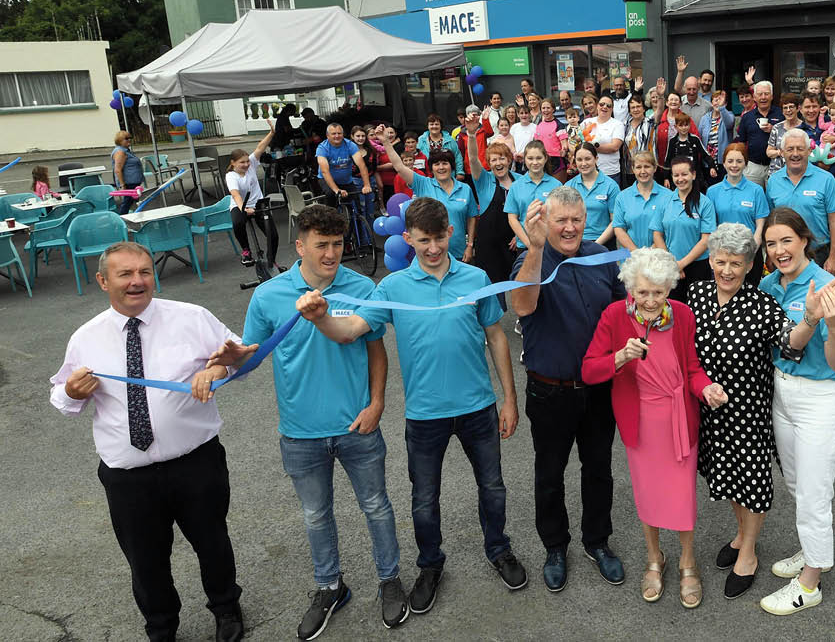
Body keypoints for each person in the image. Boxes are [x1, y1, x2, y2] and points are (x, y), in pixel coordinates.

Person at [296, 197, 528, 616]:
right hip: (424, 415)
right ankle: (430, 565)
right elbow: (350, 331)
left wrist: (509, 399)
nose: (433, 248)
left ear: (450, 234)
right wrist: (320, 318)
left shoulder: (476, 277)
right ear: (407, 239)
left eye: (439, 238)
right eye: (423, 240)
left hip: (479, 407)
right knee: (424, 499)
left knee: (492, 486)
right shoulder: (392, 287)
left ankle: (499, 549)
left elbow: (496, 336)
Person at [50, 242, 248, 642]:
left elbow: (241, 355)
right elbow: (62, 399)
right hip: (128, 476)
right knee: (145, 559)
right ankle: (161, 625)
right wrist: (72, 391)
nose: (138, 281)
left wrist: (225, 363)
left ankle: (226, 607)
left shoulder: (192, 318)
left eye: (144, 271)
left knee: (212, 542)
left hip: (196, 462)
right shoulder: (86, 338)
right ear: (103, 281)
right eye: (125, 274)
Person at [239, 205, 408, 638]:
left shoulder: (361, 287)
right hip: (300, 432)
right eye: (321, 246)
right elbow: (251, 355)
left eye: (337, 244)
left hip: (356, 425)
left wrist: (376, 404)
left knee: (377, 507)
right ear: (300, 246)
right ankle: (329, 587)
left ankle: (389, 580)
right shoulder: (269, 295)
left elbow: (373, 347)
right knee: (316, 515)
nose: (331, 253)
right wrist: (221, 364)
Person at [581, 248, 728, 608]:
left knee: (682, 496)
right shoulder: (615, 315)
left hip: (680, 419)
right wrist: (620, 357)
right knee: (648, 495)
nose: (650, 300)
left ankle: (687, 561)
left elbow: (692, 369)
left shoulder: (682, 315)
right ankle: (654, 558)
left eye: (658, 292)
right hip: (641, 422)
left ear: (670, 289)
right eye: (642, 292)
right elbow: (588, 370)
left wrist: (706, 388)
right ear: (630, 288)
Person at [510, 186, 627, 592]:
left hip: (598, 390)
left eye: (577, 220)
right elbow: (522, 306)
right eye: (561, 220)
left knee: (599, 469)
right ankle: (555, 546)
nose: (570, 227)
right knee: (550, 473)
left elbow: (622, 310)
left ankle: (597, 541)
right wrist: (536, 248)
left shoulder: (602, 256)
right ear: (546, 222)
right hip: (550, 391)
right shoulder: (531, 260)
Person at [756, 207, 835, 616]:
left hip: (820, 400)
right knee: (797, 486)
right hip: (783, 394)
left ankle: (810, 583)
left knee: (814, 495)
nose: (780, 250)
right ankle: (810, 549)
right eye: (771, 243)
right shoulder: (767, 283)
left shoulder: (827, 285)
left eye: (786, 241)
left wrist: (831, 325)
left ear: (803, 239)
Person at [687, 223, 791, 600]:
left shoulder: (762, 305)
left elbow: (790, 343)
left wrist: (813, 319)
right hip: (708, 409)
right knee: (727, 476)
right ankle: (740, 535)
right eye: (720, 261)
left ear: (750, 266)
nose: (727, 270)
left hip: (747, 411)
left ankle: (748, 551)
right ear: (710, 260)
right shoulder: (696, 293)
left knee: (752, 482)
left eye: (736, 263)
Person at [380, 137, 478, 262]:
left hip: (459, 252)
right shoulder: (422, 183)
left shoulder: (465, 189)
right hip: (430, 254)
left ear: (452, 166)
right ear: (431, 168)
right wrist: (386, 142)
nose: (441, 167)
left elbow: (471, 218)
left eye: (445, 163)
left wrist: (469, 245)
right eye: (436, 164)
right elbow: (399, 167)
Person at [765, 129, 835, 274]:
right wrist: (769, 255)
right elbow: (770, 220)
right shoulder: (773, 181)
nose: (795, 154)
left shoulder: (826, 179)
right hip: (783, 254)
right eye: (790, 149)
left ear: (809, 151)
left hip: (818, 253)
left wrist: (834, 256)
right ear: (782, 152)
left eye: (800, 149)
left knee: (819, 296)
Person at [463, 117, 522, 289]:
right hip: (488, 244)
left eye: (502, 159)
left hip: (513, 243)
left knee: (519, 286)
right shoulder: (483, 180)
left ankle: (521, 317)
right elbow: (473, 158)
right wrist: (472, 135)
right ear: (488, 164)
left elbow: (527, 211)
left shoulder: (521, 181)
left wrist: (520, 234)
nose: (498, 163)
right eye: (494, 160)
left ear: (509, 160)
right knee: (493, 290)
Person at [651, 156, 716, 304]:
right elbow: (657, 234)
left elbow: (706, 240)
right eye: (676, 175)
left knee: (698, 310)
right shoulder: (664, 201)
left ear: (693, 175)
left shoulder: (705, 203)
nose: (680, 179)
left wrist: (681, 264)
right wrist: (672, 263)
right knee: (672, 310)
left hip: (698, 266)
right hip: (669, 266)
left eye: (684, 174)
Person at [707, 142, 768, 284]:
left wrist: (750, 253)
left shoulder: (756, 190)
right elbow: (711, 226)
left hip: (750, 252)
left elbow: (760, 227)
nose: (734, 165)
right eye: (730, 161)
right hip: (723, 254)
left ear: (745, 164)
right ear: (724, 163)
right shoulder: (712, 191)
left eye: (739, 161)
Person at [226, 119, 281, 270]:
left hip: (258, 204)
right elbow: (236, 195)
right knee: (238, 223)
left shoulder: (251, 163)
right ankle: (246, 251)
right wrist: (243, 209)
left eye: (247, 162)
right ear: (233, 163)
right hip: (240, 205)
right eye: (241, 163)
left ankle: (271, 260)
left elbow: (260, 147)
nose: (246, 165)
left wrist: (271, 133)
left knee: (273, 235)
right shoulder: (231, 176)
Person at [504, 140, 562, 250]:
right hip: (524, 245)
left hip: (551, 245)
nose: (535, 162)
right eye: (530, 158)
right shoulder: (516, 186)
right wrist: (528, 244)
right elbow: (512, 218)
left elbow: (560, 216)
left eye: (539, 158)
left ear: (545, 158)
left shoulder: (556, 185)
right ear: (524, 159)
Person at [612, 151, 673, 251]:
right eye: (638, 167)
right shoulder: (622, 197)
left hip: (659, 258)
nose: (643, 171)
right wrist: (636, 252)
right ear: (633, 169)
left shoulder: (668, 196)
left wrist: (648, 253)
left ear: (655, 168)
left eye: (647, 166)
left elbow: (670, 229)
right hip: (631, 258)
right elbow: (619, 229)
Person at [566, 142, 621, 246]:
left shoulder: (611, 186)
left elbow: (615, 221)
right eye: (579, 160)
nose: (583, 164)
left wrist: (596, 245)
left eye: (587, 159)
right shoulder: (569, 186)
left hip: (603, 242)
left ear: (596, 159)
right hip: (575, 242)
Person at [315, 123, 373, 219]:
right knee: (330, 197)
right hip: (328, 180)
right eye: (333, 134)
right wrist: (336, 190)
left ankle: (359, 229)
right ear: (327, 136)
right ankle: (330, 223)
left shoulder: (350, 145)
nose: (337, 136)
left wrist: (367, 185)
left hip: (346, 180)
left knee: (357, 207)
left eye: (339, 133)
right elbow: (325, 171)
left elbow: (362, 165)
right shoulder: (322, 148)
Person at [734, 81, 782, 186]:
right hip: (753, 167)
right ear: (754, 97)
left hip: (777, 165)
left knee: (774, 199)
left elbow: (789, 137)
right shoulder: (747, 117)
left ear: (772, 96)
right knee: (752, 198)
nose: (763, 97)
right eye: (760, 94)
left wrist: (774, 130)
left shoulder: (781, 114)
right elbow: (741, 142)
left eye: (766, 94)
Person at [581, 95, 626, 185]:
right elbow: (576, 139)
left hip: (610, 172)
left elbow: (614, 147)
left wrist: (590, 147)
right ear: (597, 106)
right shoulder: (586, 122)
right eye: (602, 104)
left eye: (608, 106)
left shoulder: (617, 124)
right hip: (588, 171)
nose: (604, 107)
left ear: (612, 109)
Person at [664, 112, 712, 186]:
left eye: (686, 125)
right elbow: (668, 160)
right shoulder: (672, 141)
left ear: (689, 125)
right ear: (676, 126)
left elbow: (705, 154)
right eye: (680, 125)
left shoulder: (695, 139)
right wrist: (666, 178)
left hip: (694, 177)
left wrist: (712, 167)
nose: (684, 128)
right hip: (678, 178)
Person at [765, 93, 808, 174]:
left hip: (798, 173)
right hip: (776, 172)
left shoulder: (804, 127)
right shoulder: (777, 128)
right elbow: (769, 152)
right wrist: (780, 152)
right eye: (785, 108)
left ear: (798, 108)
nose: (788, 110)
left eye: (791, 107)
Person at [697, 91, 735, 182]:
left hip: (723, 162)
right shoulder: (704, 118)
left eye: (720, 100)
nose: (717, 102)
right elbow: (699, 139)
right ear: (711, 102)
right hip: (707, 162)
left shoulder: (729, 115)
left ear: (725, 104)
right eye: (715, 100)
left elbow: (729, 124)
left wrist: (722, 108)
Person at [417, 114, 465, 182]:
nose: (434, 126)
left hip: (448, 177)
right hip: (428, 178)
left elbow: (457, 156)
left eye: (436, 124)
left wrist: (460, 172)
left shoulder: (450, 140)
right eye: (431, 124)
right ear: (428, 126)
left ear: (441, 126)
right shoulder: (421, 140)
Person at [653, 89, 684, 184]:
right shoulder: (660, 119)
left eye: (676, 100)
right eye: (671, 100)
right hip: (662, 165)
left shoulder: (685, 119)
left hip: (681, 165)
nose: (673, 102)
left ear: (680, 104)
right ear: (667, 103)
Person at [111, 130, 145, 215]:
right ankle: (121, 221)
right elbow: (118, 169)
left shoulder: (125, 150)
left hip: (133, 182)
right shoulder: (120, 152)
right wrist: (123, 185)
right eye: (126, 138)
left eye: (130, 138)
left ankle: (133, 217)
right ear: (119, 140)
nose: (129, 140)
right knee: (127, 203)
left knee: (133, 203)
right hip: (129, 183)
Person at [673, 56, 713, 126]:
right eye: (689, 89)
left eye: (694, 89)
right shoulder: (679, 103)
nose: (691, 92)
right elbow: (677, 88)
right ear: (685, 89)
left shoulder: (708, 106)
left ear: (698, 88)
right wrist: (680, 72)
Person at [533, 98, 567, 179]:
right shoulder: (539, 125)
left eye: (548, 108)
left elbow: (564, 143)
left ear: (553, 109)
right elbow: (536, 142)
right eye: (543, 108)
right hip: (542, 160)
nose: (546, 110)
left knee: (558, 188)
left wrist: (564, 149)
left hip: (557, 160)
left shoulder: (559, 125)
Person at [454, 105, 489, 178]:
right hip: (470, 168)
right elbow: (461, 151)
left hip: (485, 166)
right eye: (472, 115)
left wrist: (485, 119)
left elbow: (490, 133)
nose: (474, 118)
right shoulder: (462, 132)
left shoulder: (482, 129)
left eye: (476, 115)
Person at [510, 105, 537, 173]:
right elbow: (511, 142)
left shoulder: (535, 127)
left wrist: (525, 154)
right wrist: (515, 153)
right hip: (516, 160)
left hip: (530, 159)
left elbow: (535, 144)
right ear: (518, 115)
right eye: (521, 113)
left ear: (529, 114)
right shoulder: (514, 127)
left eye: (526, 113)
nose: (524, 115)